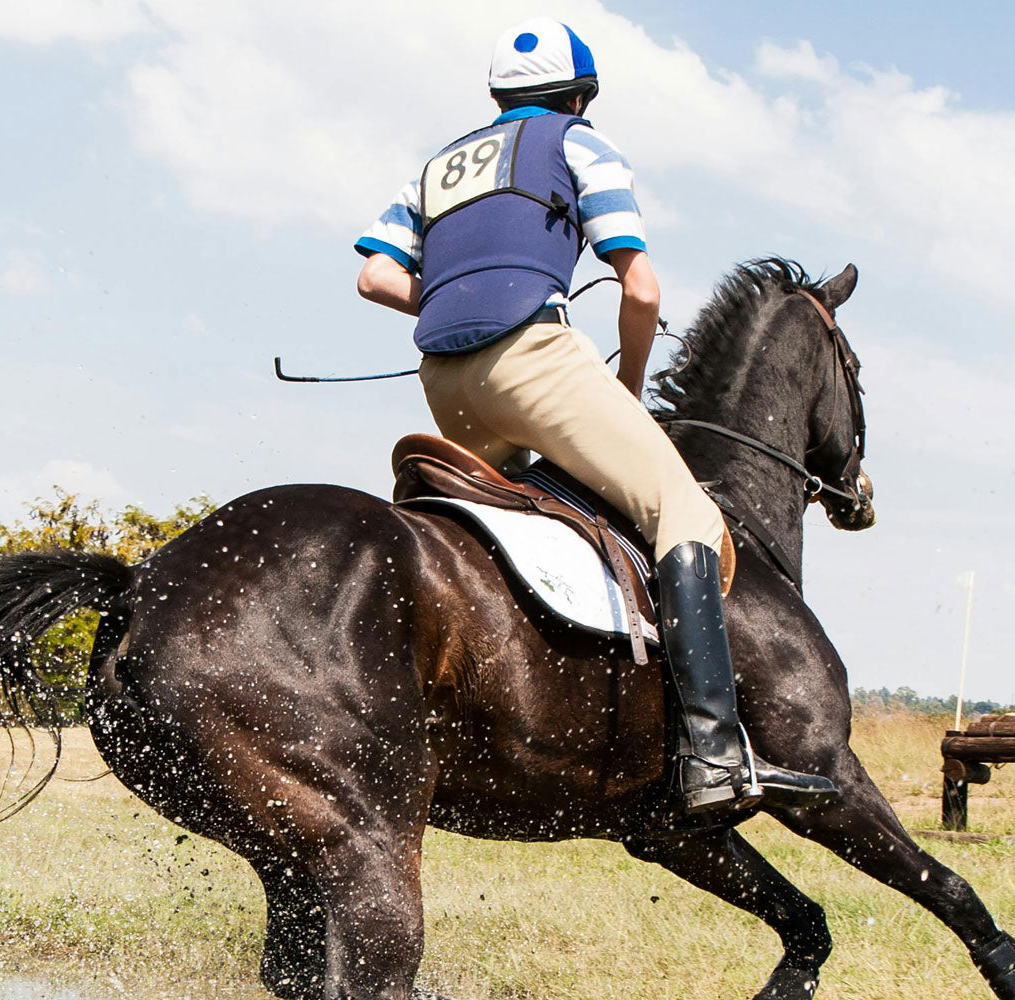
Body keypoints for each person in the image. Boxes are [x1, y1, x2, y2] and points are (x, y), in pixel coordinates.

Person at [353, 18, 835, 814]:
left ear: (498, 96)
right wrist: (632, 383)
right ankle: (714, 753)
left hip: (443, 382)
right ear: (581, 96)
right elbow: (640, 287)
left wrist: (445, 298)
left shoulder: (439, 167)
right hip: (535, 362)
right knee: (684, 510)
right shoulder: (579, 144)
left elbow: (375, 277)